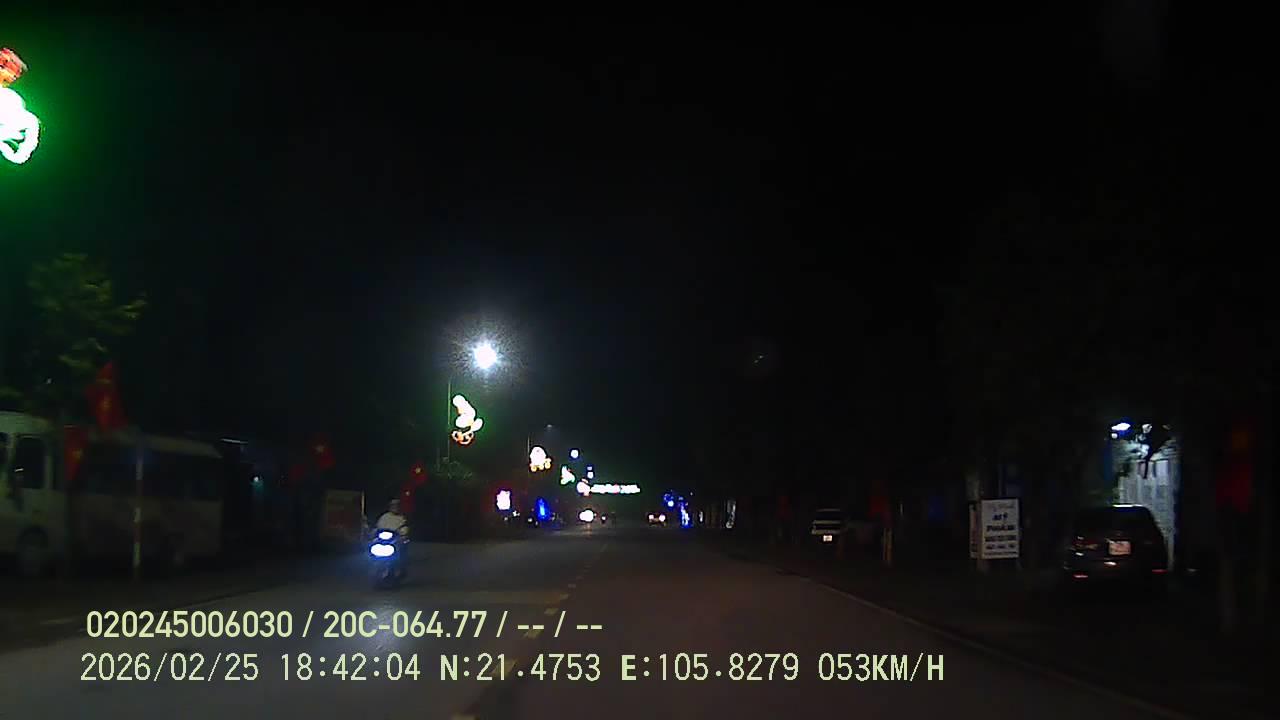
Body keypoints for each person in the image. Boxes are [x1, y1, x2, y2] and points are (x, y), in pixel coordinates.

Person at [374, 499, 410, 576]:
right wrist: (374, 532)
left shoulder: (402, 518)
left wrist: (403, 534)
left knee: (402, 547)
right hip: (383, 539)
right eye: (393, 506)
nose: (395, 507)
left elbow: (404, 528)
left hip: (395, 539)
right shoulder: (384, 517)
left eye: (396, 506)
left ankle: (400, 568)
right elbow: (378, 526)